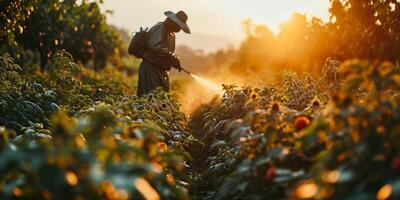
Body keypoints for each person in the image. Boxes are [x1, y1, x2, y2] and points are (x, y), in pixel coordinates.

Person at [137, 11, 191, 97]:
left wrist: (173, 60)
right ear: (173, 22)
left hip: (161, 70)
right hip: (151, 68)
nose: (180, 29)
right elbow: (155, 46)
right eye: (179, 26)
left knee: (161, 97)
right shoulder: (160, 28)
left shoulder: (171, 34)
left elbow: (167, 52)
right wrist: (170, 56)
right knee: (150, 97)